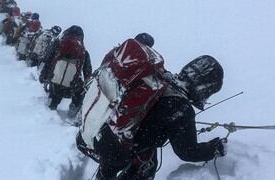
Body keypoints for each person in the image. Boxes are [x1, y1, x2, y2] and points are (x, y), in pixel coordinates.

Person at [76, 33, 226, 179]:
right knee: (146, 166)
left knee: (132, 162)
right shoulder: (182, 108)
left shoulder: (160, 77)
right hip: (116, 151)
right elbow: (187, 151)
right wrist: (214, 149)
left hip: (97, 133)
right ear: (204, 88)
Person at [40, 25, 92, 118]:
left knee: (56, 84)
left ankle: (51, 106)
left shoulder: (58, 45)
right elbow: (88, 74)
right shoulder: (84, 52)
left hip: (54, 84)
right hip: (70, 88)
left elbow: (48, 60)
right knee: (80, 91)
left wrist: (44, 75)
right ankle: (73, 110)